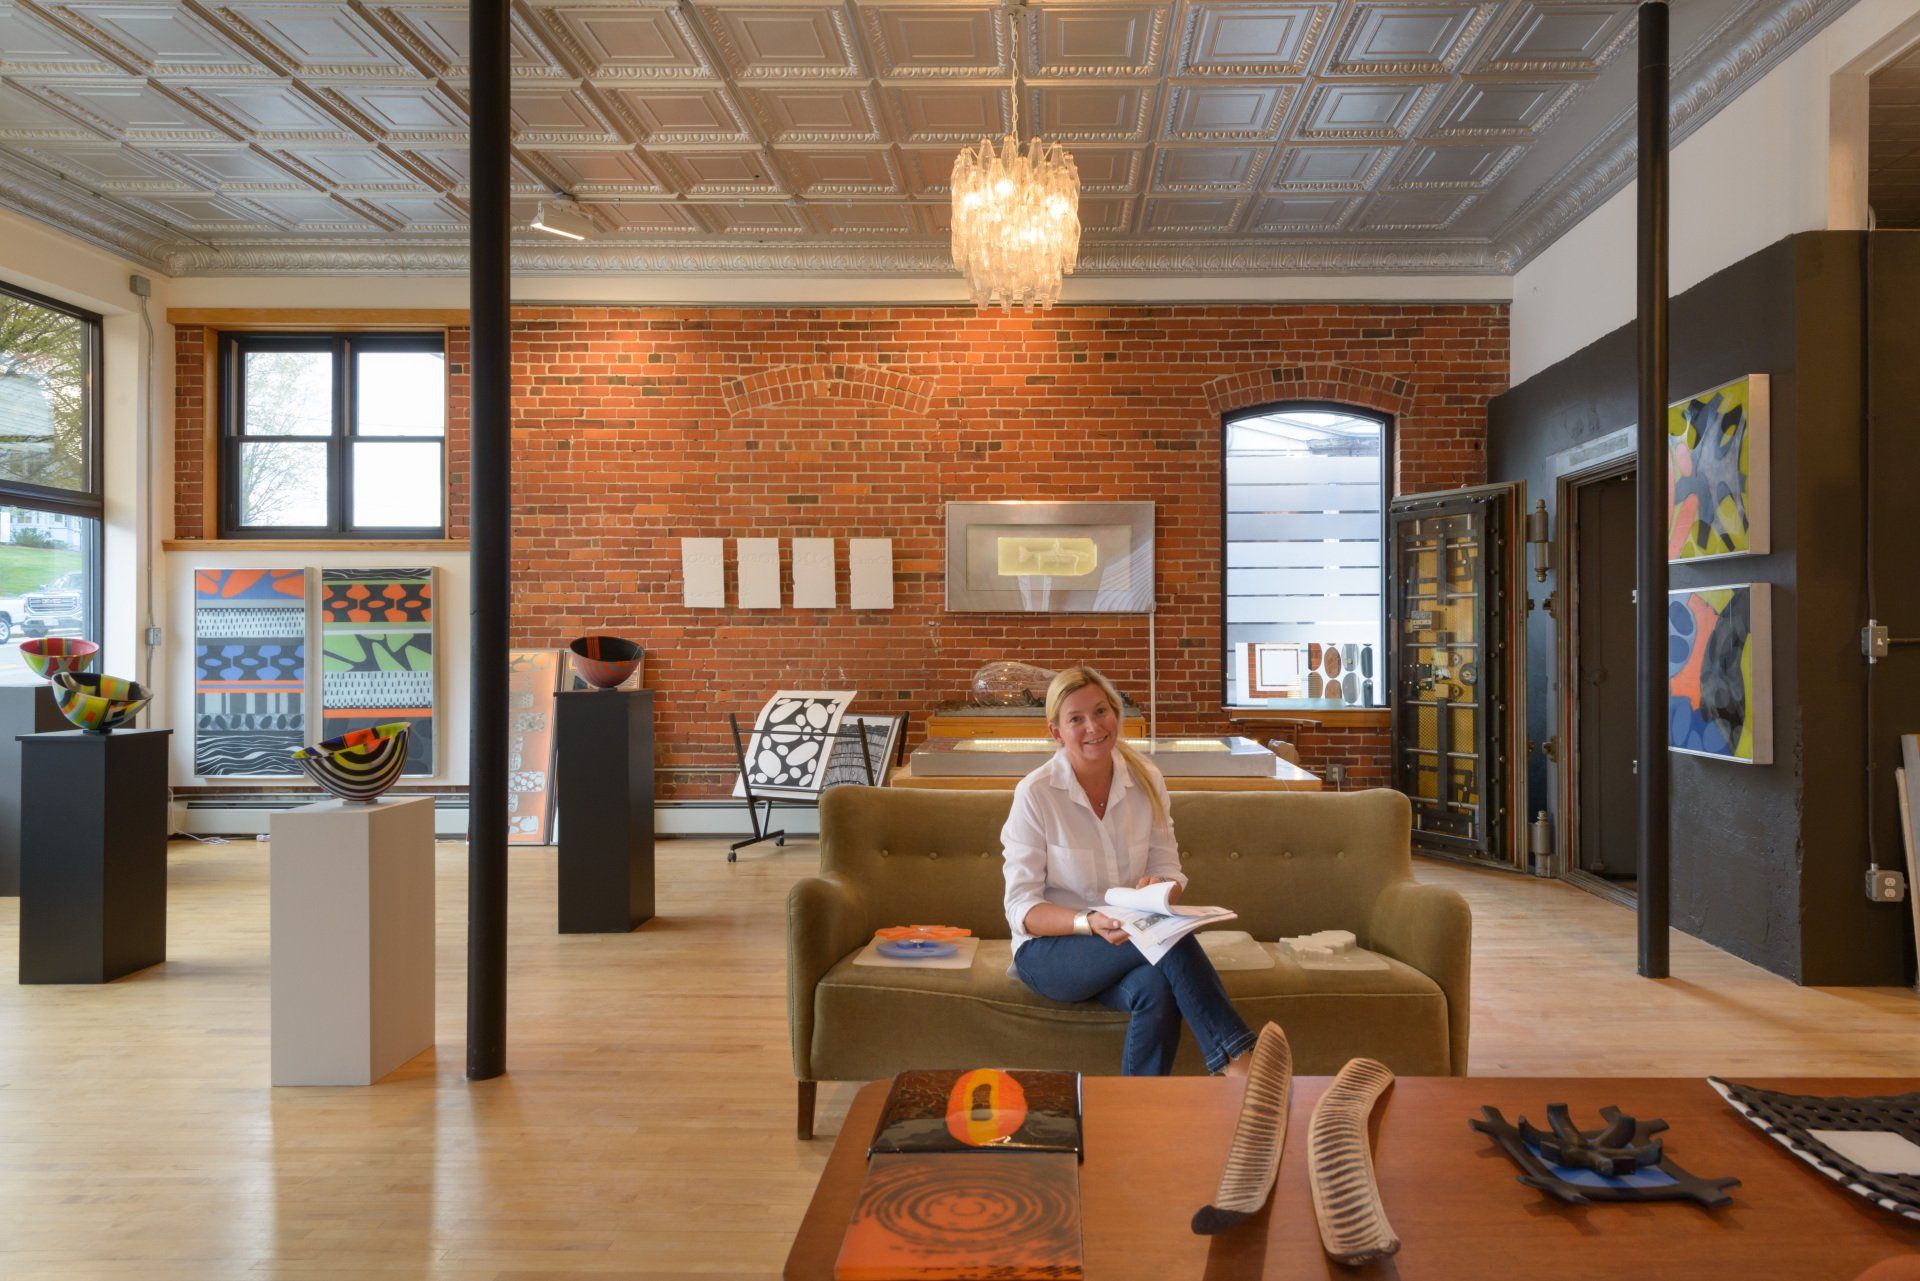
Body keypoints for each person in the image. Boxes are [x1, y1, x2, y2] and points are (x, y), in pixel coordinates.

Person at [1000, 665, 1257, 1077]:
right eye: (1076, 719)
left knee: (1157, 990)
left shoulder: (1147, 780)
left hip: (1129, 940)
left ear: (1116, 714)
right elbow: (1021, 908)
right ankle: (1240, 1063)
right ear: (1056, 733)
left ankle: (1139, 1111)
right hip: (1050, 951)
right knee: (1171, 939)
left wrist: (1161, 889)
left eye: (1101, 712)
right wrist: (1089, 921)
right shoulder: (1036, 793)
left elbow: (1167, 868)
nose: (1093, 727)